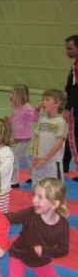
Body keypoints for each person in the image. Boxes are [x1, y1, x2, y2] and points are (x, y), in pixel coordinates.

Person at [0, 178, 77, 277]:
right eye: (34, 195)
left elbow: (63, 250)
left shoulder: (62, 226)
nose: (34, 200)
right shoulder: (31, 214)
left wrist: (45, 251)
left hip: (41, 260)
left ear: (55, 203)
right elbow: (10, 218)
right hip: (19, 255)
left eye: (40, 197)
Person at [6, 84, 40, 188]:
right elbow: (17, 120)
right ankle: (34, 175)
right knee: (23, 158)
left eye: (12, 93)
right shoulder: (15, 107)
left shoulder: (26, 107)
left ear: (20, 95)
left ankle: (14, 181)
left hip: (25, 137)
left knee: (14, 158)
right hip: (18, 137)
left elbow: (35, 119)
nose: (10, 95)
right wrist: (10, 120)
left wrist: (37, 111)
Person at [32, 89, 68, 185]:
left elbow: (58, 144)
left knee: (55, 189)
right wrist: (35, 155)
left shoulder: (61, 122)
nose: (43, 102)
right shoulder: (42, 120)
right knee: (37, 186)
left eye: (47, 100)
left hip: (53, 161)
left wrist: (45, 159)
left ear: (58, 103)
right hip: (39, 160)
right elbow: (37, 138)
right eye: (43, 100)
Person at [63, 35, 78, 181]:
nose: (67, 52)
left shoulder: (77, 66)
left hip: (75, 106)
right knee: (69, 134)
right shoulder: (75, 65)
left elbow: (75, 88)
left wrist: (68, 108)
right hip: (73, 103)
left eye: (70, 48)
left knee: (73, 137)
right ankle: (64, 164)